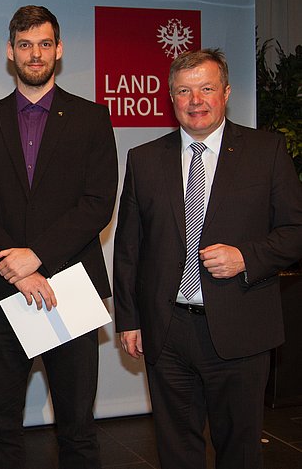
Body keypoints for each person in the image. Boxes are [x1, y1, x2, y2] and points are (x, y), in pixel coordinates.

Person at [113, 48, 302, 469]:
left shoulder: (266, 152)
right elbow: (129, 249)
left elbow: (295, 232)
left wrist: (246, 257)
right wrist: (129, 319)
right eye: (184, 91)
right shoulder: (143, 160)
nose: (195, 100)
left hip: (241, 329)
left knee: (239, 449)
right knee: (176, 449)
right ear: (171, 97)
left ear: (226, 93)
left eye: (206, 88)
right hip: (168, 332)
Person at [0, 5, 118, 469]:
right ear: (10, 52)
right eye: (25, 45)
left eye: (44, 44)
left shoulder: (92, 119)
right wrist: (16, 266)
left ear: (59, 50)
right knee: (2, 426)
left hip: (69, 288)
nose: (35, 54)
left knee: (77, 425)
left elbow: (97, 202)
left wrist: (36, 256)